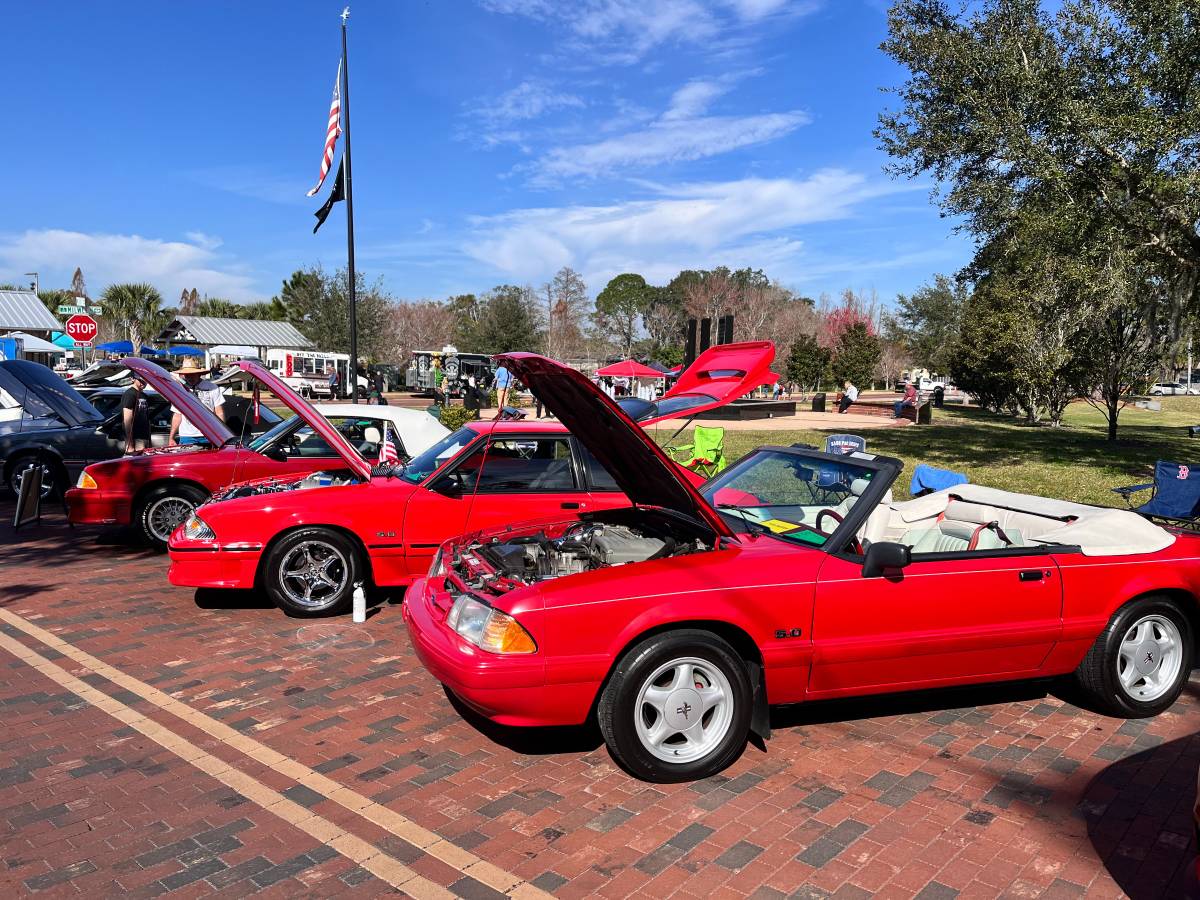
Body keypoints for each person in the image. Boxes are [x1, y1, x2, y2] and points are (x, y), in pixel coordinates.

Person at [169, 363, 225, 447]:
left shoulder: (212, 387)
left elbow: (219, 412)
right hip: (187, 436)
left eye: (193, 374)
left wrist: (221, 433)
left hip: (209, 434)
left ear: (199, 374)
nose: (190, 377)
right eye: (187, 375)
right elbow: (177, 415)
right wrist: (171, 437)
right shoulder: (180, 389)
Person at [120, 373, 152, 454]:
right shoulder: (129, 394)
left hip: (144, 436)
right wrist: (130, 443)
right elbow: (127, 420)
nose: (143, 383)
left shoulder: (144, 395)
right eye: (140, 380)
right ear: (132, 379)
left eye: (145, 381)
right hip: (136, 437)